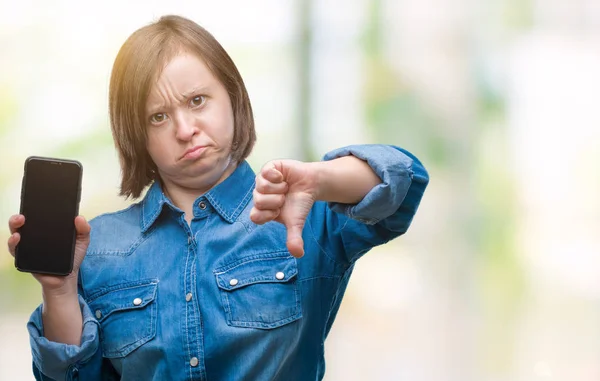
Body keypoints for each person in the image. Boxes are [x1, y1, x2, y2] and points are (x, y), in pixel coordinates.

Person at [6, 15, 429, 381]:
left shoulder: (299, 211)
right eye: (158, 116)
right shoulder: (99, 247)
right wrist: (59, 291)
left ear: (232, 96)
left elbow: (404, 180)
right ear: (138, 135)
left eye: (197, 100)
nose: (185, 128)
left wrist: (321, 179)